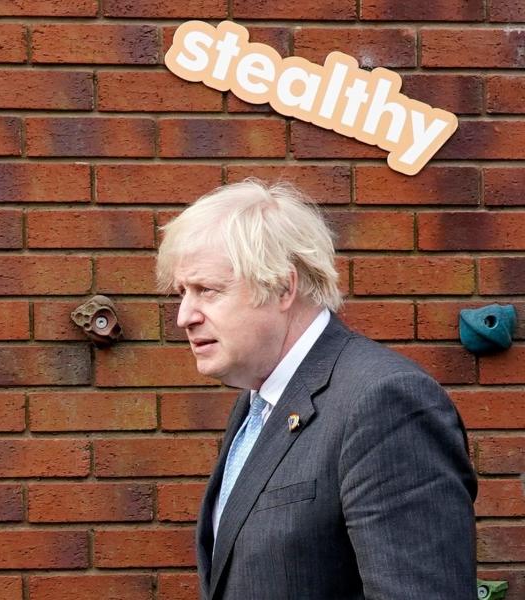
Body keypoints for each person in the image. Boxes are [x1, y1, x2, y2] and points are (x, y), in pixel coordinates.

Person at [156, 178, 477, 600]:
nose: (184, 316)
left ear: (284, 288)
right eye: (182, 293)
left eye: (207, 291)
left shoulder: (384, 402)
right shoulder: (258, 402)